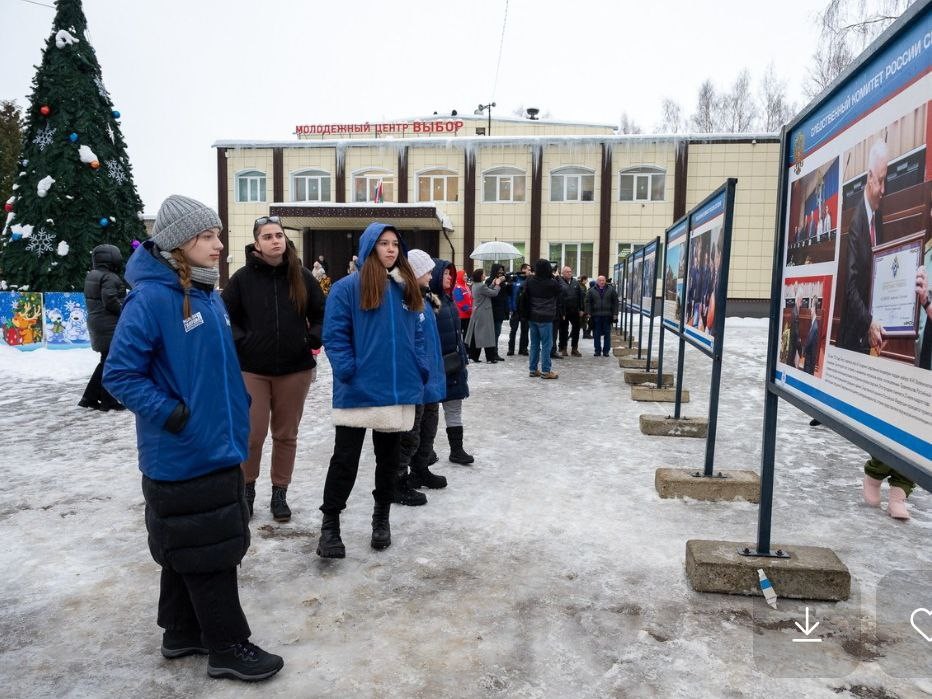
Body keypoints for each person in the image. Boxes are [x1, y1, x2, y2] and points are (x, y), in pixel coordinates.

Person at [103, 194, 283, 682]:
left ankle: (181, 631)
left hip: (216, 443)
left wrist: (236, 408)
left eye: (218, 235)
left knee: (192, 542)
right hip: (183, 451)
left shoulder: (203, 293)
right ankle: (227, 645)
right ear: (179, 243)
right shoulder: (153, 298)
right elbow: (119, 375)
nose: (220, 245)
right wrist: (175, 415)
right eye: (208, 236)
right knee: (211, 550)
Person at [316, 223, 428, 558]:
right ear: (369, 247)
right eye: (383, 243)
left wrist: (419, 366)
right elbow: (335, 336)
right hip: (358, 387)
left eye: (395, 244)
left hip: (395, 389)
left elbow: (418, 335)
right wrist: (348, 369)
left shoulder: (407, 288)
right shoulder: (347, 288)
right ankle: (330, 526)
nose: (391, 249)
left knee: (388, 460)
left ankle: (381, 519)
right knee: (345, 460)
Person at [221, 216, 326, 523]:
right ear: (257, 244)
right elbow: (226, 317)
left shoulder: (302, 276)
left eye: (278, 235)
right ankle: (247, 490)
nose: (274, 240)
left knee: (286, 434)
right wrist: (245, 341)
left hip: (295, 369)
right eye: (267, 236)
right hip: (253, 369)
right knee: (253, 434)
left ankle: (280, 492)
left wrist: (312, 337)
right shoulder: (241, 279)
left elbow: (322, 312)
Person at [394, 249, 448, 506]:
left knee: (428, 428)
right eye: (426, 270)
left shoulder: (425, 298)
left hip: (432, 378)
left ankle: (420, 470)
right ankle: (397, 480)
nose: (430, 275)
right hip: (416, 379)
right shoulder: (405, 301)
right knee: (409, 434)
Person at [838, 140, 889, 353]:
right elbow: (850, 288)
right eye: (880, 181)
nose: (883, 190)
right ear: (869, 178)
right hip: (852, 340)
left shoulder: (878, 219)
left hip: (869, 336)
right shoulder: (856, 223)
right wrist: (870, 321)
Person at [433, 257, 474, 464]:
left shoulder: (448, 299)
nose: (449, 276)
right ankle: (426, 451)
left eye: (451, 273)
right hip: (435, 365)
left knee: (454, 407)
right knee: (428, 414)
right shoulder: (427, 301)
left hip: (453, 364)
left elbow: (457, 333)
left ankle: (456, 450)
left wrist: (463, 357)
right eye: (445, 273)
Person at [80, 244, 127, 411]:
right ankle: (108, 400)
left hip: (97, 321)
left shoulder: (93, 275)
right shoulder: (109, 277)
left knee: (105, 361)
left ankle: (89, 397)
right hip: (109, 324)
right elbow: (110, 300)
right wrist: (125, 312)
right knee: (111, 362)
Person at [523, 258, 562, 379]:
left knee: (534, 344)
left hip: (532, 316)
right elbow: (561, 291)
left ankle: (533, 369)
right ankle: (546, 371)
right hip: (546, 317)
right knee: (546, 344)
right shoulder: (552, 283)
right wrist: (557, 277)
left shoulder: (530, 281)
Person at [465, 267, 502, 363]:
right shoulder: (481, 286)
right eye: (483, 274)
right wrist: (497, 285)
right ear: (480, 276)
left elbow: (486, 291)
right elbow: (493, 293)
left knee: (477, 335)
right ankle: (490, 358)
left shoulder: (475, 285)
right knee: (487, 335)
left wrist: (493, 284)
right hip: (484, 313)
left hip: (478, 312)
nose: (485, 275)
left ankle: (474, 356)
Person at [586, 275, 619, 357]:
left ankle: (606, 351)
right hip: (596, 316)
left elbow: (615, 302)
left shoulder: (611, 290)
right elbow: (588, 302)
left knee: (607, 334)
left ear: (605, 281)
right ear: (597, 281)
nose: (601, 282)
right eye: (600, 280)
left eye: (603, 280)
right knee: (596, 334)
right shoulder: (591, 291)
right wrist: (588, 313)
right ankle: (597, 350)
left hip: (607, 315)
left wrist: (615, 314)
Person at [558, 265, 584, 357]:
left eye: (570, 271)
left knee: (576, 330)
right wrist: (561, 312)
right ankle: (563, 348)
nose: (569, 273)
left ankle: (574, 349)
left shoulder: (576, 282)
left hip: (575, 311)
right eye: (567, 272)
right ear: (562, 273)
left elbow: (581, 297)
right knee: (563, 330)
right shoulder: (559, 282)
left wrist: (581, 309)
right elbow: (559, 298)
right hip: (564, 311)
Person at [506, 262, 530, 356]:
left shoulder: (529, 281)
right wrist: (511, 308)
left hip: (525, 311)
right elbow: (509, 296)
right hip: (515, 310)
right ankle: (511, 349)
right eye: (528, 269)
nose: (529, 271)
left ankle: (523, 349)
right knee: (513, 331)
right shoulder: (514, 279)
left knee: (525, 331)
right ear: (523, 270)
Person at [487, 263, 510, 362]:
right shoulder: (489, 281)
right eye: (499, 271)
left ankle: (494, 352)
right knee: (494, 333)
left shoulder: (504, 282)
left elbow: (507, 294)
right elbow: (489, 293)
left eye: (502, 271)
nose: (501, 273)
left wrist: (507, 282)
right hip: (492, 310)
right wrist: (497, 283)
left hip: (501, 310)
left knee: (498, 332)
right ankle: (493, 353)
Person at [452, 268, 473, 342]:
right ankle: (462, 349)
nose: (466, 277)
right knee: (461, 335)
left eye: (466, 276)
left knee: (467, 334)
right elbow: (460, 302)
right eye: (464, 276)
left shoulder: (466, 286)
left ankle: (466, 349)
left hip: (468, 315)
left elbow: (470, 299)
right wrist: (469, 310)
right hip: (461, 316)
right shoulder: (457, 287)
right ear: (460, 276)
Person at [802, 297, 820, 375]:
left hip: (809, 363)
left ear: (814, 308)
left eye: (811, 306)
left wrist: (803, 351)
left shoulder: (815, 327)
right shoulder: (813, 323)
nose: (810, 309)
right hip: (808, 360)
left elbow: (810, 344)